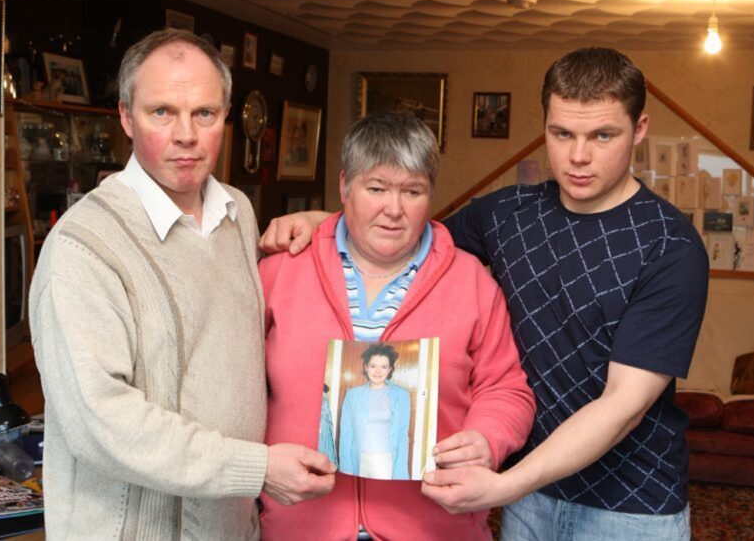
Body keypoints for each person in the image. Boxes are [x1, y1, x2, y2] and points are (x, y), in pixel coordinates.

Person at [260, 48, 709, 540]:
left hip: (628, 505)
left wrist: (504, 483)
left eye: (603, 135)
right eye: (562, 134)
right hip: (529, 503)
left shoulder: (670, 246)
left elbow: (624, 405)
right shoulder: (508, 214)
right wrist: (321, 223)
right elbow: (406, 235)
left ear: (639, 129)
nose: (579, 156)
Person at [29, 29, 334, 540]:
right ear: (126, 117)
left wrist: (327, 225)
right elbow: (101, 422)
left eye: (205, 114)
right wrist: (256, 468)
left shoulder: (238, 214)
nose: (186, 134)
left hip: (231, 526)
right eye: (162, 112)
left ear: (226, 116)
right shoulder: (81, 246)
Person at [258, 111, 535, 540]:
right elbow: (233, 389)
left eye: (412, 191)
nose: (394, 209)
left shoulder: (472, 281)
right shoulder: (281, 272)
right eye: (377, 188)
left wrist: (487, 437)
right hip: (303, 524)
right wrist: (259, 466)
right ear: (344, 186)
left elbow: (506, 387)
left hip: (432, 525)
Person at [338, 344, 412, 480]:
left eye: (384, 367)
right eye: (373, 366)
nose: (378, 371)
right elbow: (346, 433)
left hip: (387, 460)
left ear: (390, 369)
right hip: (359, 459)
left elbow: (402, 435)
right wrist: (346, 467)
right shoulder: (352, 395)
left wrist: (400, 471)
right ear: (366, 367)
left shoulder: (402, 395)